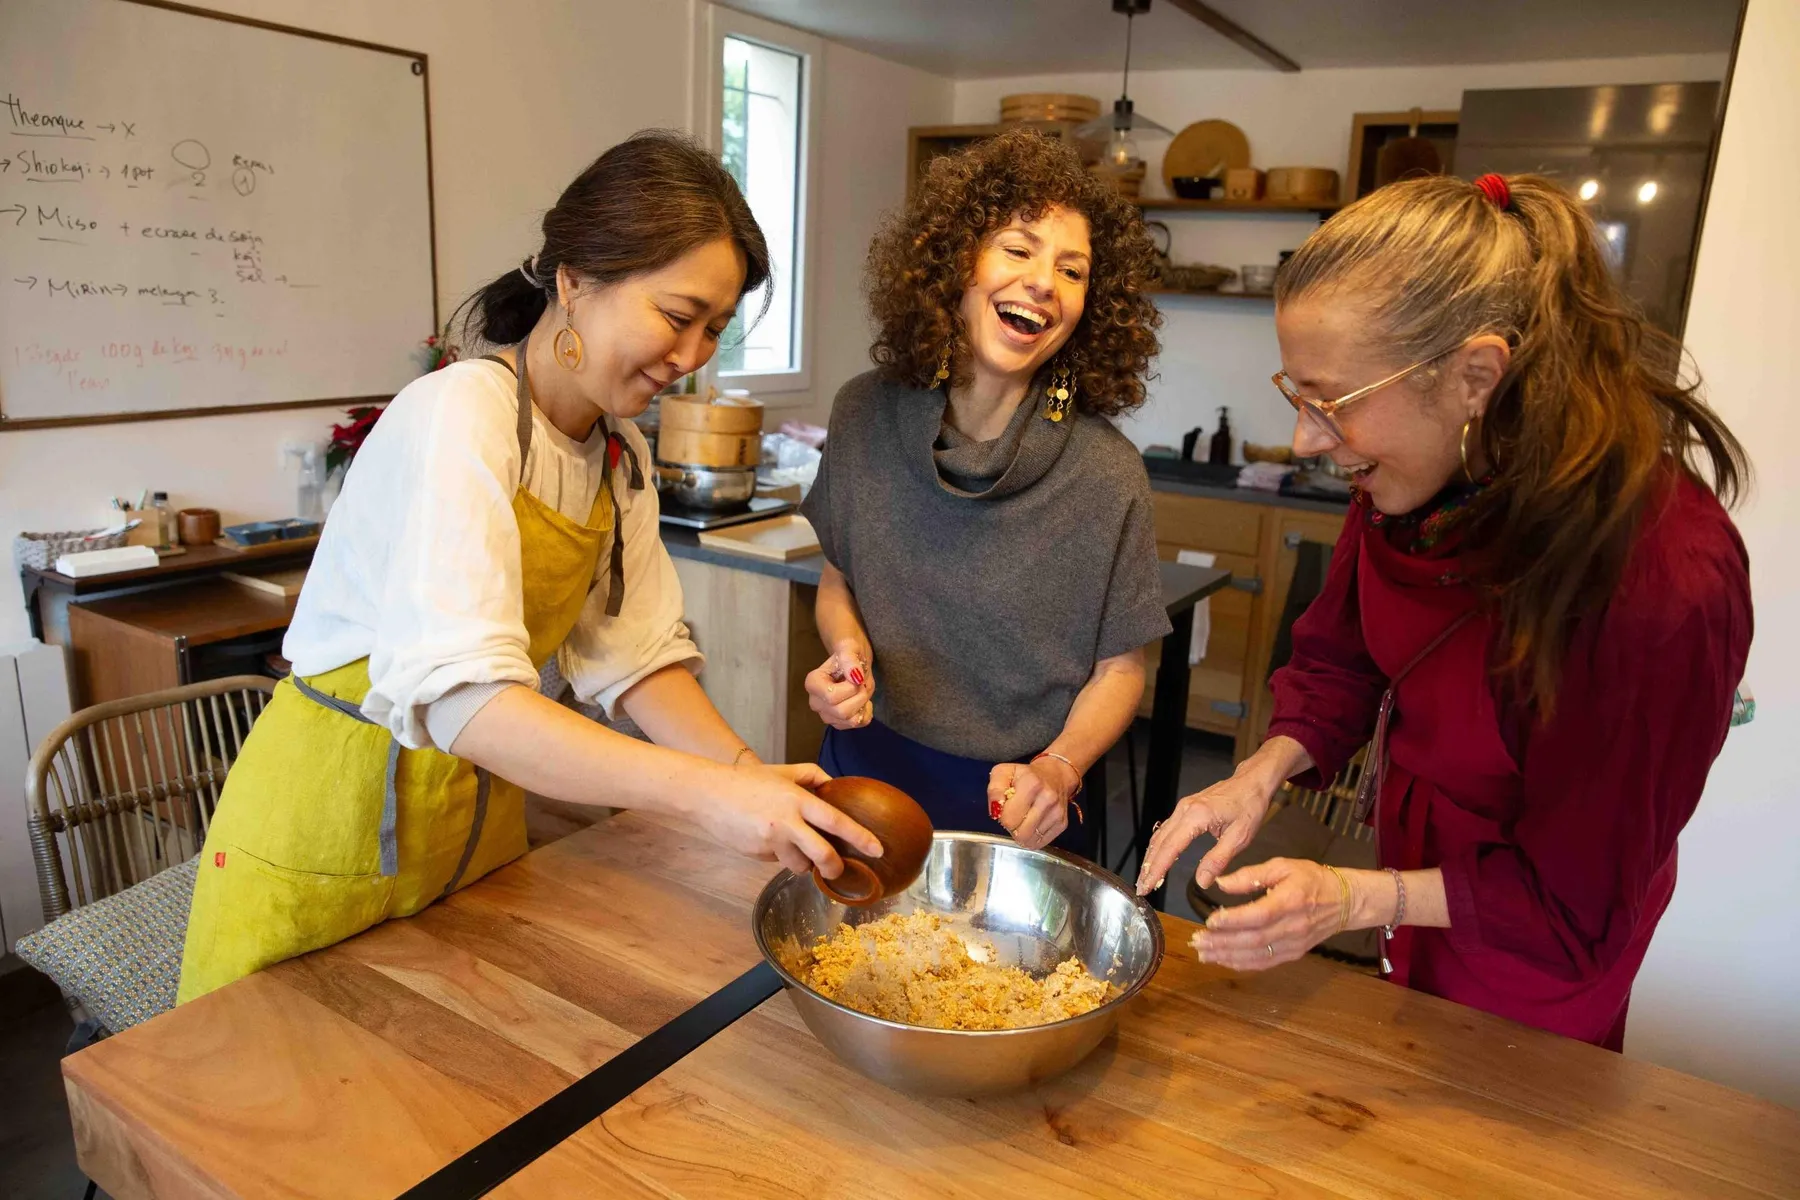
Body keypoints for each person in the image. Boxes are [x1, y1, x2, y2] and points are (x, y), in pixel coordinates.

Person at [179, 132, 877, 1003]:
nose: (695, 357)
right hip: (322, 839)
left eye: (716, 329)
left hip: (467, 842)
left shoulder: (617, 450)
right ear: (574, 279)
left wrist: (748, 778)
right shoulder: (458, 416)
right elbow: (466, 701)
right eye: (677, 315)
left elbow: (638, 656)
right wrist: (708, 799)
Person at [1136, 172, 1752, 1050]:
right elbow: (1342, 662)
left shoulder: (1661, 581)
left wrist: (1357, 895)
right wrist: (1261, 772)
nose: (1309, 440)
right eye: (1296, 396)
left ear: (1475, 376)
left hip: (1532, 959)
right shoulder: (1416, 479)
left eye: (1332, 404)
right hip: (1413, 900)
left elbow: (1574, 905)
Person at [799, 128, 1170, 854]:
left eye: (1073, 270)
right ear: (955, 261)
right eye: (1019, 248)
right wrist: (847, 657)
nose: (1043, 282)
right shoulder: (862, 413)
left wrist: (1061, 768)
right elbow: (838, 580)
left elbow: (1121, 668)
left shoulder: (1108, 474)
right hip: (865, 782)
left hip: (1021, 809)